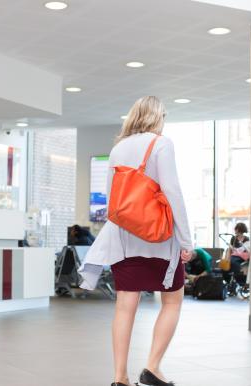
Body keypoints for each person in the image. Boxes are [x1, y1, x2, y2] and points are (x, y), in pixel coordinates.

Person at [78, 96, 193, 386]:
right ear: (158, 117)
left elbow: (112, 199)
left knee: (125, 305)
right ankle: (152, 367)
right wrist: (186, 239)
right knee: (173, 300)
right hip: (159, 238)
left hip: (124, 237)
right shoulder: (161, 144)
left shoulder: (117, 149)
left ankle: (120, 377)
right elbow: (172, 192)